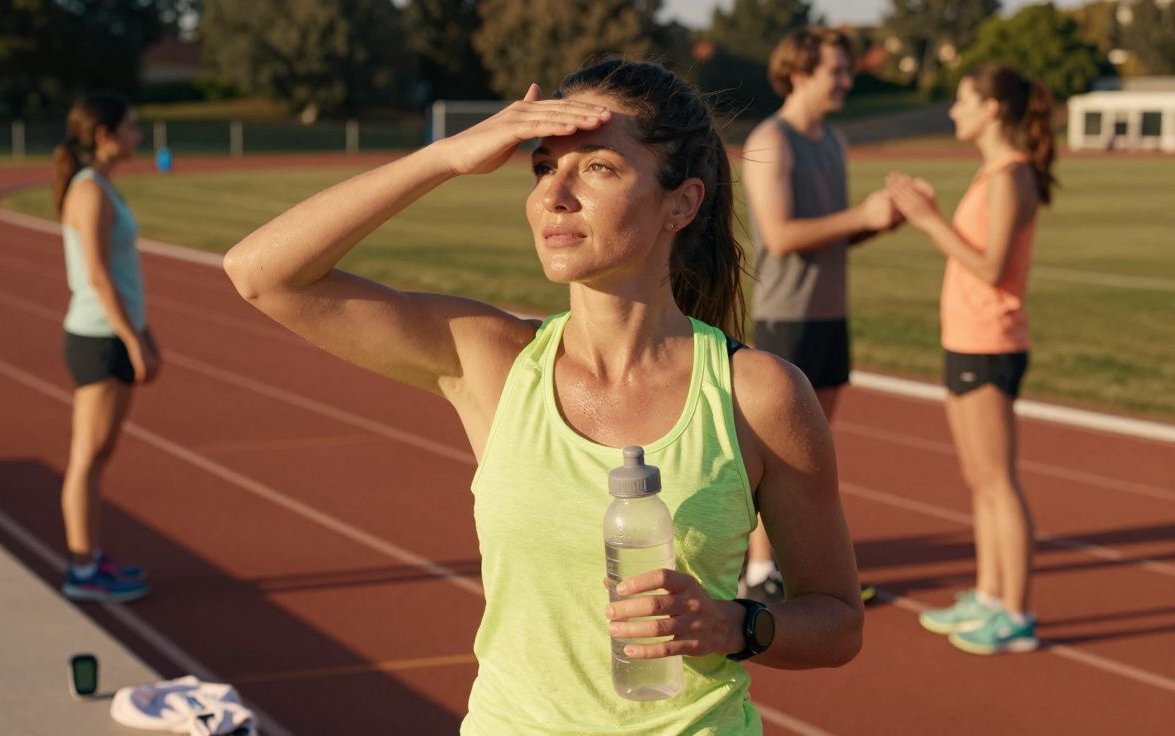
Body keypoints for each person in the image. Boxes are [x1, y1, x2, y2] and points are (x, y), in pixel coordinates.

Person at [225, 59, 863, 733]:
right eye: (540, 167)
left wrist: (737, 625)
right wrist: (444, 158)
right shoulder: (492, 362)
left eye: (597, 168)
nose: (554, 195)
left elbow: (837, 621)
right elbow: (263, 274)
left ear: (681, 202)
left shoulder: (757, 394)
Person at [886, 64, 1055, 655]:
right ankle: (990, 595)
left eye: (962, 100)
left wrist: (928, 219)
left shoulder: (1011, 176)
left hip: (991, 341)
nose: (954, 111)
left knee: (998, 482)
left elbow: (989, 267)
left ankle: (1017, 612)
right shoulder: (994, 174)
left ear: (991, 110)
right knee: (980, 480)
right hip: (968, 339)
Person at [739, 26, 897, 604]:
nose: (846, 81)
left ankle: (801, 569)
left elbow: (829, 237)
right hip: (788, 316)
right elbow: (780, 236)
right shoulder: (772, 141)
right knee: (778, 453)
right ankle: (759, 572)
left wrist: (874, 223)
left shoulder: (830, 140)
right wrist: (862, 216)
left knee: (816, 453)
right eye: (836, 70)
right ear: (800, 73)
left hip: (830, 313)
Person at [53, 92, 156, 603]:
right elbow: (96, 274)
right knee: (87, 458)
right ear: (104, 135)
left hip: (111, 332)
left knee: (98, 456)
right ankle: (82, 567)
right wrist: (133, 340)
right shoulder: (90, 191)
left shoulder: (100, 187)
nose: (138, 136)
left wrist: (142, 329)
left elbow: (119, 272)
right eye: (132, 127)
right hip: (98, 337)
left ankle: (91, 558)